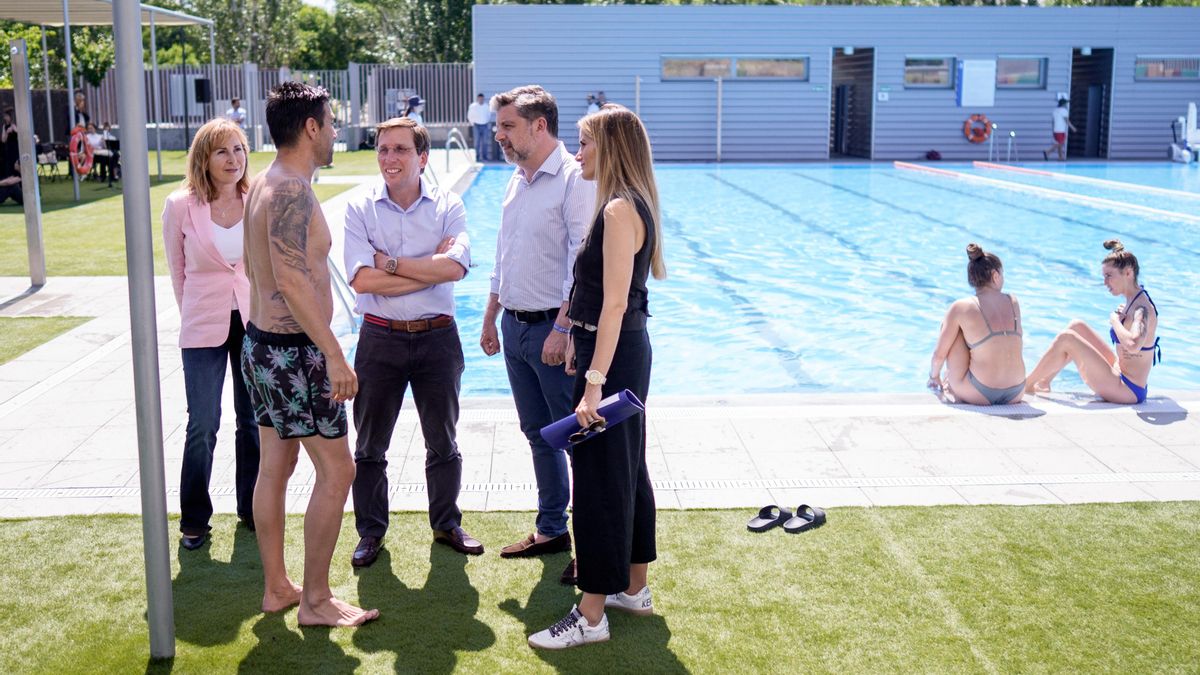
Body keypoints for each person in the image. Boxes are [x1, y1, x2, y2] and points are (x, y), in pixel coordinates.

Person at [527, 103, 666, 650]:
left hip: (613, 357)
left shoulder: (616, 211)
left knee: (601, 483)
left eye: (584, 144)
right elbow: (607, 305)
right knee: (627, 471)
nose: (577, 153)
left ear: (609, 149)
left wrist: (592, 382)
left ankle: (590, 616)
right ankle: (632, 589)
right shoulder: (631, 205)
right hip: (618, 350)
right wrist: (580, 345)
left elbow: (613, 306)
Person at [241, 81, 378, 627]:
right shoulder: (292, 191)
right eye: (331, 122)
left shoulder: (264, 183)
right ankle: (315, 601)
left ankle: (278, 588)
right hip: (295, 351)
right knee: (338, 469)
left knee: (276, 463)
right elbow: (293, 284)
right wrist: (335, 356)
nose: (337, 132)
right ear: (311, 127)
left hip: (263, 344)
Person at [343, 117, 481, 567]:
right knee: (369, 446)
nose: (390, 158)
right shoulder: (360, 207)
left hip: (438, 338)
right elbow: (362, 282)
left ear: (422, 158)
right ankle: (370, 532)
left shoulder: (449, 205)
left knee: (443, 440)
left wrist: (394, 266)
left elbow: (456, 268)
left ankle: (446, 523)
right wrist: (426, 268)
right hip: (379, 340)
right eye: (383, 149)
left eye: (401, 150)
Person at [483, 85, 594, 581]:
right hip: (515, 326)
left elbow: (583, 261)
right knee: (538, 435)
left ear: (539, 126)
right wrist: (490, 315)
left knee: (575, 442)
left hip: (552, 327)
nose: (499, 135)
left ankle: (592, 545)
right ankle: (553, 529)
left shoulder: (573, 180)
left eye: (507, 126)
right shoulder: (516, 180)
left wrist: (562, 327)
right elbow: (504, 254)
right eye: (499, 126)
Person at [161, 117, 260, 550]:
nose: (232, 159)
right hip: (202, 324)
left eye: (238, 149)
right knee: (203, 423)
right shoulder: (180, 205)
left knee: (252, 421)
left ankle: (252, 509)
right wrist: (196, 315)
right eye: (222, 151)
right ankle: (195, 519)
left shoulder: (257, 198)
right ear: (204, 157)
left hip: (254, 322)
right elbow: (177, 273)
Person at [1027, 240, 1161, 404]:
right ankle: (1043, 382)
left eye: (1109, 276)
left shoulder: (1141, 309)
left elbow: (1134, 345)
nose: (1105, 282)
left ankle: (1025, 385)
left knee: (1067, 338)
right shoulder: (1133, 300)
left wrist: (1115, 321)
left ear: (1128, 272)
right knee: (1077, 326)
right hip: (1119, 372)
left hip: (1128, 389)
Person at [927, 244, 1025, 406]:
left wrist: (933, 377)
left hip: (980, 393)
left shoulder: (961, 307)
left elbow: (938, 355)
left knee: (952, 327)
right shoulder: (1012, 301)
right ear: (995, 275)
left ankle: (949, 383)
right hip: (1016, 392)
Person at [468, 93, 492, 162]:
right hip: (476, 126)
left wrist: (486, 122)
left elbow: (488, 115)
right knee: (477, 142)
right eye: (479, 98)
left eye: (482, 99)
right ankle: (477, 157)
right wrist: (473, 123)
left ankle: (484, 157)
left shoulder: (486, 106)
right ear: (477, 99)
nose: (481, 100)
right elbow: (469, 115)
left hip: (485, 125)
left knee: (485, 142)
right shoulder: (473, 106)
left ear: (483, 99)